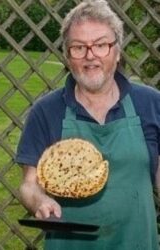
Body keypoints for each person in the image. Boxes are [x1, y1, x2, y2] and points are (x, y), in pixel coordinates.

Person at [16, 1, 160, 249]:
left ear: (117, 51)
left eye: (101, 45)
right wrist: (39, 201)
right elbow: (29, 184)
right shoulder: (46, 111)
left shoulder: (150, 103)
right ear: (67, 55)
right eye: (79, 47)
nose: (90, 55)